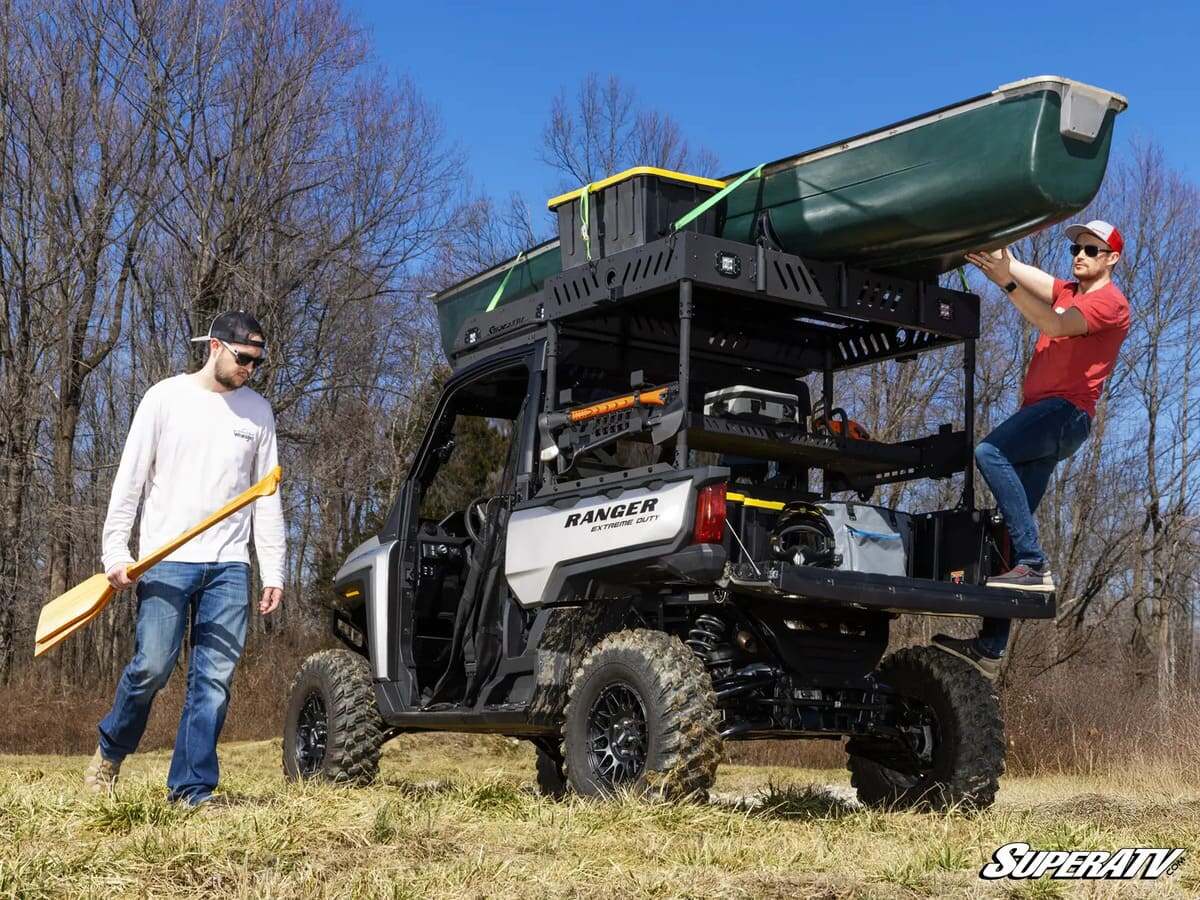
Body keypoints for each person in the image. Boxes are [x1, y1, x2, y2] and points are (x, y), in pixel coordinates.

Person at [84, 311, 286, 806]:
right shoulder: (164, 399)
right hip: (165, 559)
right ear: (215, 346)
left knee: (213, 680)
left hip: (229, 565)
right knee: (152, 665)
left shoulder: (258, 413)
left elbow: (266, 496)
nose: (250, 370)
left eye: (258, 363)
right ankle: (110, 751)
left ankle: (191, 789)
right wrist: (116, 551)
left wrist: (274, 569)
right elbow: (129, 481)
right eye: (244, 359)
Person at [933, 220, 1130, 678]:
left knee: (989, 453)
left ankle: (1035, 564)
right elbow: (1018, 268)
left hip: (1065, 413)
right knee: (1006, 529)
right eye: (1077, 248)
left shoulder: (1110, 303)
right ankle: (991, 645)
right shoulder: (1067, 289)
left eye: (1093, 250)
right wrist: (996, 254)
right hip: (1047, 417)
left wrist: (1004, 282)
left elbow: (1051, 323)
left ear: (1111, 259)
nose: (1081, 255)